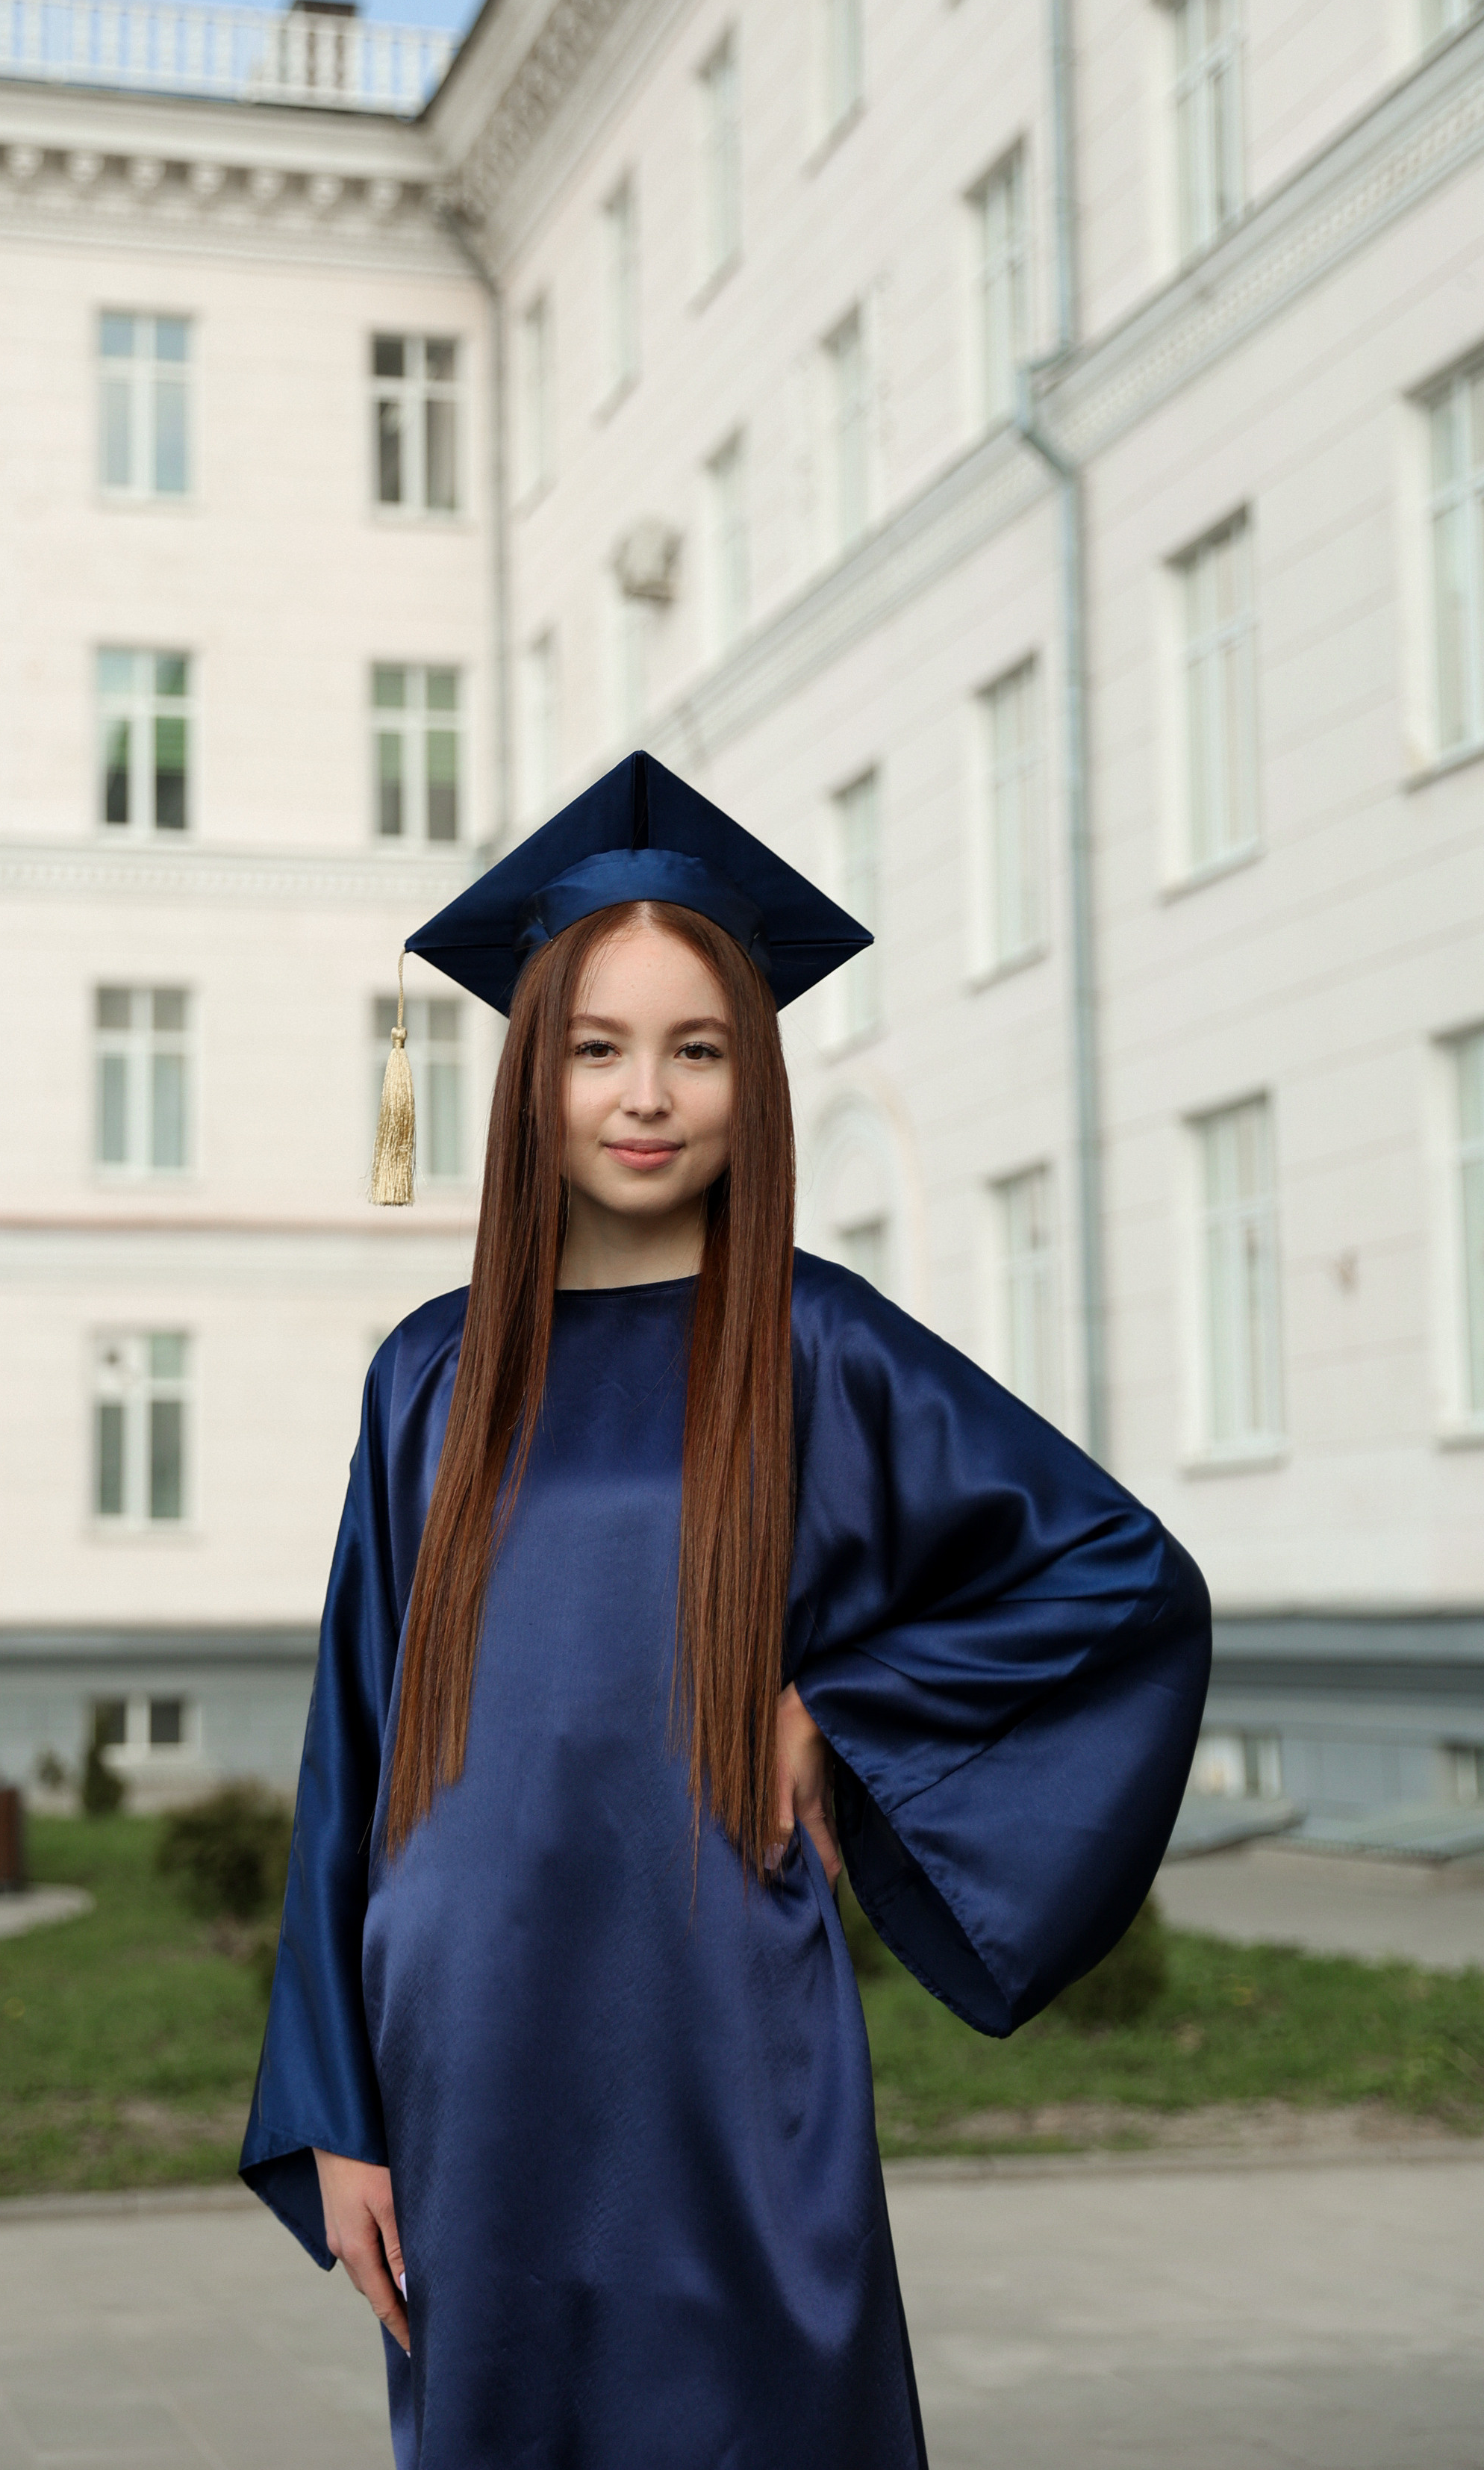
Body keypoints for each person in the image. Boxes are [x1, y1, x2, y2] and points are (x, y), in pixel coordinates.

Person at [241, 753, 1211, 2469]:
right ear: (529, 1077)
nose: (647, 1094)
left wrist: (839, 1709)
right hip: (463, 2033)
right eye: (598, 1048)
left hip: (712, 2013)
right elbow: (353, 1747)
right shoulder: (434, 1374)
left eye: (696, 1049)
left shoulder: (817, 1345)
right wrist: (336, 2114)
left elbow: (1112, 1572)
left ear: (751, 1079)